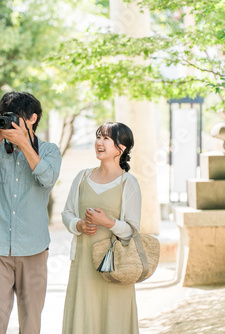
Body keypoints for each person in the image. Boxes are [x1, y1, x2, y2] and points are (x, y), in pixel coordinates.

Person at [0, 91, 62, 334]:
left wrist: (23, 144)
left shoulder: (49, 150)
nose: (10, 123)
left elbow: (47, 178)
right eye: (6, 117)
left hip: (34, 247)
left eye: (16, 118)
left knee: (31, 318)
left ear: (32, 118)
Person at [61, 122, 141, 334]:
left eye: (106, 138)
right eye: (98, 137)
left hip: (115, 267)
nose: (99, 142)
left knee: (113, 320)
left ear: (121, 147)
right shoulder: (82, 177)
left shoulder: (128, 183)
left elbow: (133, 231)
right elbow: (67, 213)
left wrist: (108, 223)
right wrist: (78, 224)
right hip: (83, 263)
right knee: (83, 318)